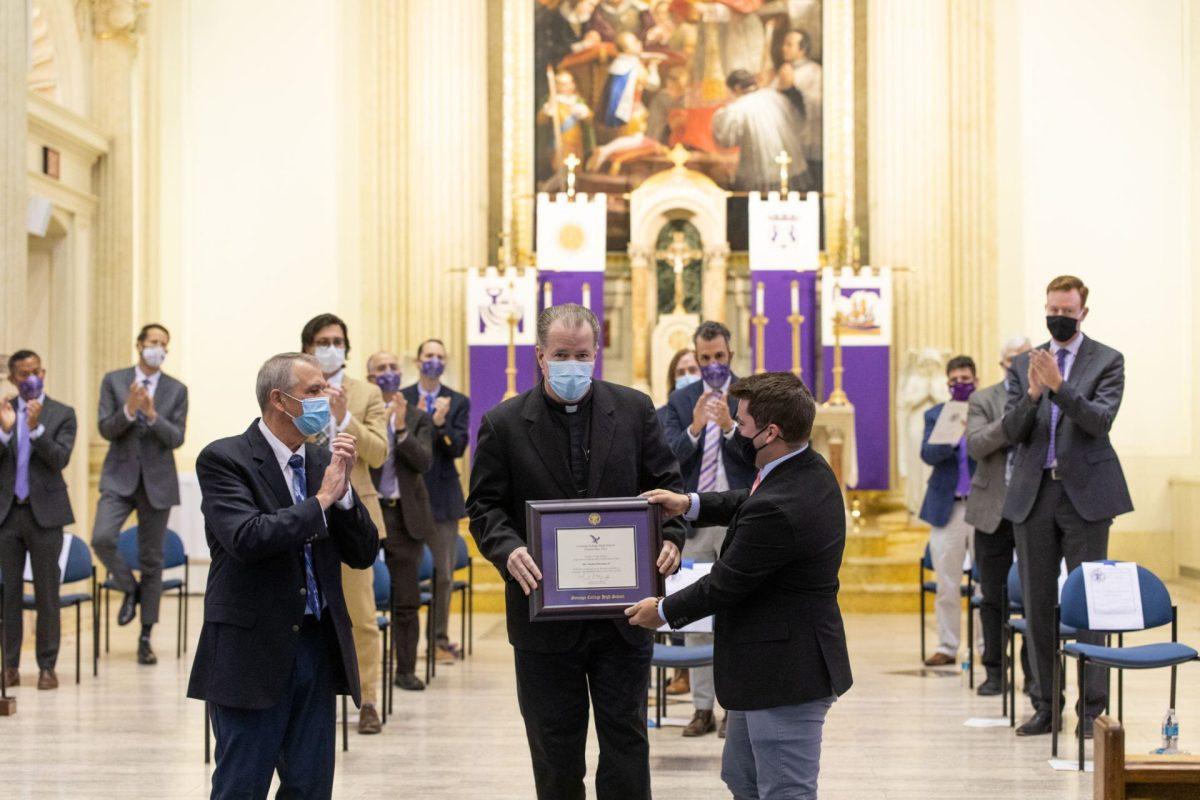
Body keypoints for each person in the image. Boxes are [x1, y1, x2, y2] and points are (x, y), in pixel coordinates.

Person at [468, 303, 686, 800]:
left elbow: (666, 487)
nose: (573, 364)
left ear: (597, 355)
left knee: (626, 742)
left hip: (623, 618)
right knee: (554, 750)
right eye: (562, 354)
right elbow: (484, 507)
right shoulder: (503, 423)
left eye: (582, 354)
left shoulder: (633, 410)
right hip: (544, 617)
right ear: (540, 357)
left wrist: (671, 539)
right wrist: (509, 549)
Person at [627, 371, 853, 800]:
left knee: (785, 790)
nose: (737, 429)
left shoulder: (781, 506)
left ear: (771, 432)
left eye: (743, 422)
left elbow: (724, 584)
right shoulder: (803, 466)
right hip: (763, 667)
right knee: (743, 781)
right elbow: (746, 502)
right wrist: (689, 503)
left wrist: (662, 611)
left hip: (786, 673)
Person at [188, 352, 378, 799]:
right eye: (314, 391)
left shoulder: (320, 461)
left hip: (315, 644)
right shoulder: (224, 459)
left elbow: (365, 553)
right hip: (250, 650)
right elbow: (248, 537)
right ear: (280, 399)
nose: (325, 399)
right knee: (241, 785)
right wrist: (321, 502)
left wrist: (345, 495)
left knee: (310, 787)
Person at [1003, 275, 1132, 738]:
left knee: (1090, 605)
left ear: (1083, 313)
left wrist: (1059, 387)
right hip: (1034, 494)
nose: (1058, 317)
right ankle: (1044, 705)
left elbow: (1099, 421)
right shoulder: (1024, 365)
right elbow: (1011, 431)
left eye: (1067, 310)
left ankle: (1091, 711)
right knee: (1038, 604)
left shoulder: (1107, 360)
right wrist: (1036, 393)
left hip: (1086, 497)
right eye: (1051, 309)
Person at [661, 321, 757, 736]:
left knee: (739, 614)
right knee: (697, 613)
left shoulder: (749, 396)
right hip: (695, 518)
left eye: (719, 357)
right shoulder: (681, 399)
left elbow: (758, 455)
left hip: (739, 516)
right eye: (705, 359)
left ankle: (734, 708)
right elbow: (667, 460)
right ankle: (702, 708)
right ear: (696, 359)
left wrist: (731, 428)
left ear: (730, 354)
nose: (713, 365)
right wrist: (696, 428)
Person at [299, 313, 388, 734]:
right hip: (304, 511)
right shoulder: (294, 388)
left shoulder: (368, 393)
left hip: (353, 514)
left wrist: (344, 418)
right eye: (322, 341)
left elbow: (378, 455)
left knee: (361, 616)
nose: (330, 347)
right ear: (308, 348)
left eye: (337, 340)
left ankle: (367, 698)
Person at [92, 323, 188, 665]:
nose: (158, 348)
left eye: (164, 343)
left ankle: (145, 636)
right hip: (119, 478)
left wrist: (151, 414)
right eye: (153, 342)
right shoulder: (114, 381)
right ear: (139, 345)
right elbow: (106, 428)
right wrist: (130, 410)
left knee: (152, 560)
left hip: (157, 482)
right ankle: (128, 587)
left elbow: (176, 437)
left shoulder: (177, 389)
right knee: (102, 537)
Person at [0, 351, 76, 690]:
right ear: (13, 378)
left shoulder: (62, 413)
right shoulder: (4, 410)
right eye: (23, 373)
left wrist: (35, 429)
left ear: (42, 372)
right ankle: (10, 667)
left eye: (35, 371)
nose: (30, 377)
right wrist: (6, 433)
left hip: (46, 516)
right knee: (9, 594)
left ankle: (47, 667)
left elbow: (59, 458)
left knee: (47, 593)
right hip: (8, 514)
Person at [965, 336, 1032, 696]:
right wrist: (1014, 421)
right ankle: (994, 670)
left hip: (1032, 507)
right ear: (1003, 363)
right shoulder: (983, 398)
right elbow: (977, 444)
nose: (1018, 365)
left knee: (1035, 596)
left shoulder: (1044, 397)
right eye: (1013, 360)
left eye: (1025, 358)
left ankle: (1033, 674)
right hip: (991, 510)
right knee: (992, 595)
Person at [367, 351, 436, 691]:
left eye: (394, 367)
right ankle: (359, 670)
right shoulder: (360, 416)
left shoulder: (419, 417)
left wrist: (402, 429)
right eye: (381, 368)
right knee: (361, 597)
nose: (389, 373)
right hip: (367, 512)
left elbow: (424, 462)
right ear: (369, 378)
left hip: (404, 515)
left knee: (407, 599)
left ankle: (405, 669)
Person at [402, 338, 471, 663]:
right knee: (408, 571)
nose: (434, 360)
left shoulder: (457, 401)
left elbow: (457, 448)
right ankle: (405, 642)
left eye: (439, 356)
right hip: (407, 497)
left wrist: (441, 425)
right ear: (418, 361)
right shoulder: (403, 398)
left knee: (443, 574)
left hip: (443, 497)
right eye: (428, 355)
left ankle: (439, 640)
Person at [918, 355, 978, 667]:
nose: (960, 385)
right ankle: (948, 645)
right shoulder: (935, 414)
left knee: (986, 583)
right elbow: (928, 454)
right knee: (947, 582)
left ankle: (985, 647)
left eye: (965, 380)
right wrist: (951, 436)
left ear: (976, 381)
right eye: (954, 381)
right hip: (947, 506)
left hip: (982, 507)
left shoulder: (986, 410)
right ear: (947, 384)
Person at [712, 69, 810, 193]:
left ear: (736, 88)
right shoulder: (776, 97)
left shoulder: (738, 108)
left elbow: (726, 139)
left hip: (759, 171)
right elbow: (797, 122)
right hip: (789, 167)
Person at [777, 29, 822, 186]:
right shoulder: (784, 70)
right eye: (784, 44)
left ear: (802, 49)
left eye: (789, 45)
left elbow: (817, 105)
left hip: (808, 146)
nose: (784, 48)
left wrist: (791, 90)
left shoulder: (814, 72)